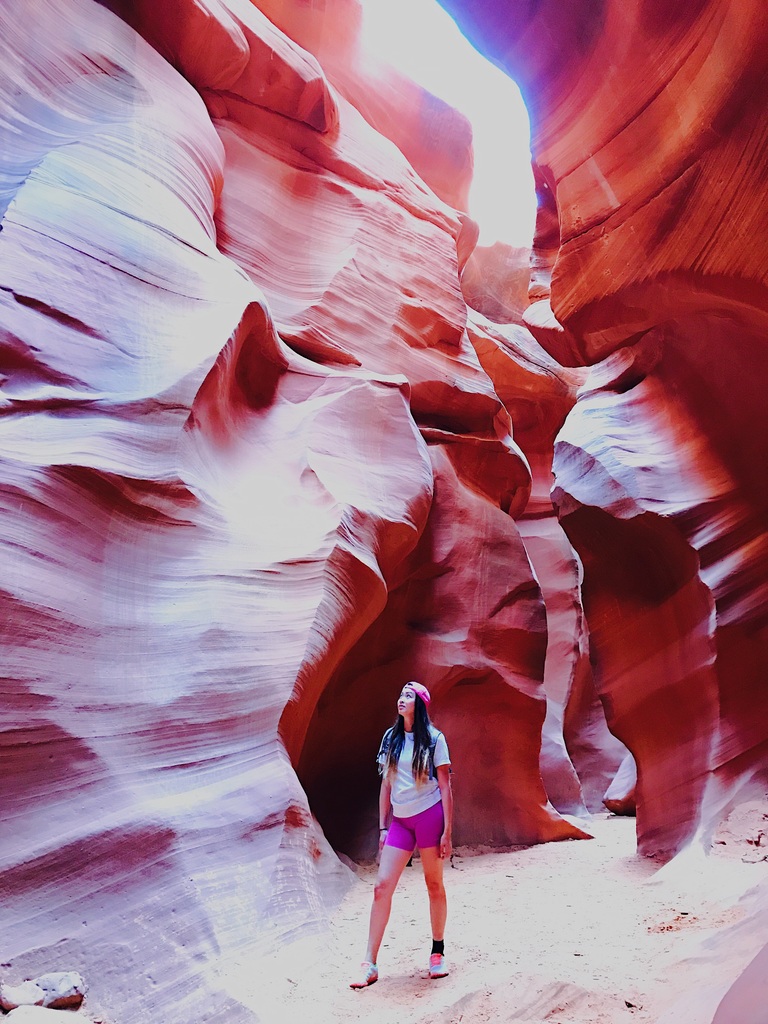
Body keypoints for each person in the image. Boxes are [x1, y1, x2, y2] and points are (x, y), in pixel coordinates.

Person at [350, 681, 453, 988]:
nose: (401, 699)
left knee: (434, 883)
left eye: (408, 696)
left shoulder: (435, 740)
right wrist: (383, 827)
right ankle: (369, 963)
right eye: (401, 694)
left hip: (429, 818)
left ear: (419, 704)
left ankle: (437, 952)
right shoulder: (391, 738)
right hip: (401, 822)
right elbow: (386, 784)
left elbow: (446, 786)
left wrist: (447, 831)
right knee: (382, 887)